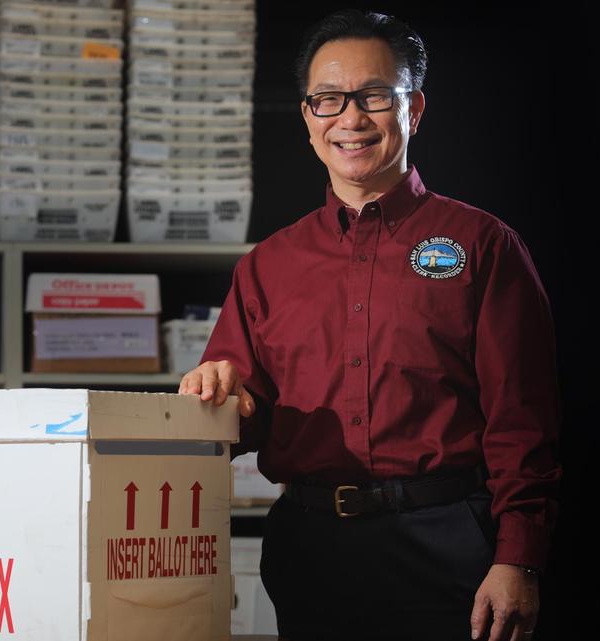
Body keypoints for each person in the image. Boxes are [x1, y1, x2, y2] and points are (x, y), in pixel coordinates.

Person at [178, 9, 561, 641]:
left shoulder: (483, 245)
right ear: (307, 119)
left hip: (448, 547)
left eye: (374, 97)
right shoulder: (267, 266)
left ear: (413, 110)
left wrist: (517, 557)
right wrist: (221, 395)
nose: (350, 119)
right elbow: (241, 415)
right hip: (312, 549)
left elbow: (524, 420)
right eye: (328, 100)